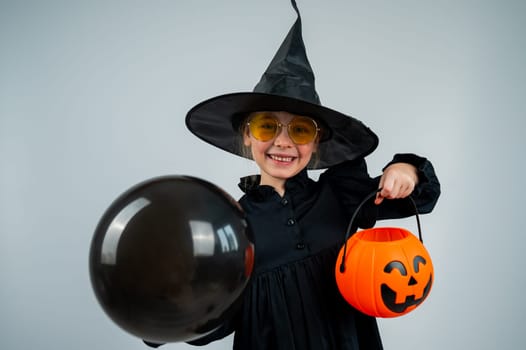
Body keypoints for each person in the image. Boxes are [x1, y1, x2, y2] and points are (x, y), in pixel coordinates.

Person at [147, 0, 440, 349]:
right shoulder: (232, 226)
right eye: (267, 126)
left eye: (299, 130)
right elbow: (216, 319)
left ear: (316, 143)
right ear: (246, 135)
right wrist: (166, 304)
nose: (282, 142)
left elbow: (423, 198)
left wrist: (406, 171)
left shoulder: (340, 195)